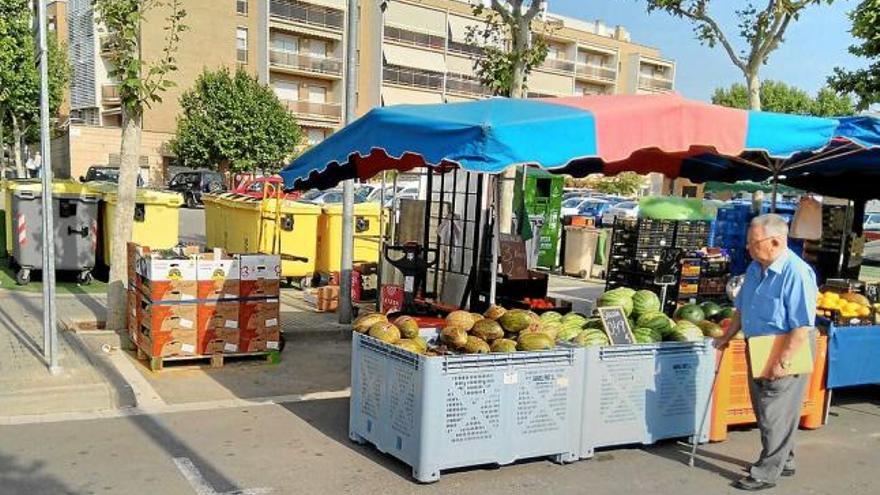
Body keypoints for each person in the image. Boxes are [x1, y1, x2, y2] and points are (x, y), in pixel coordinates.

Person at [715, 214, 817, 491]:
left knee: (774, 411)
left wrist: (782, 361)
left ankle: (766, 472)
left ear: (774, 241)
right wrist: (727, 336)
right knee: (766, 409)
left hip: (788, 345)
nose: (747, 247)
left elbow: (802, 326)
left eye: (752, 242)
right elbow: (742, 307)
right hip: (758, 345)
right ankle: (786, 459)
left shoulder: (796, 273)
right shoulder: (754, 268)